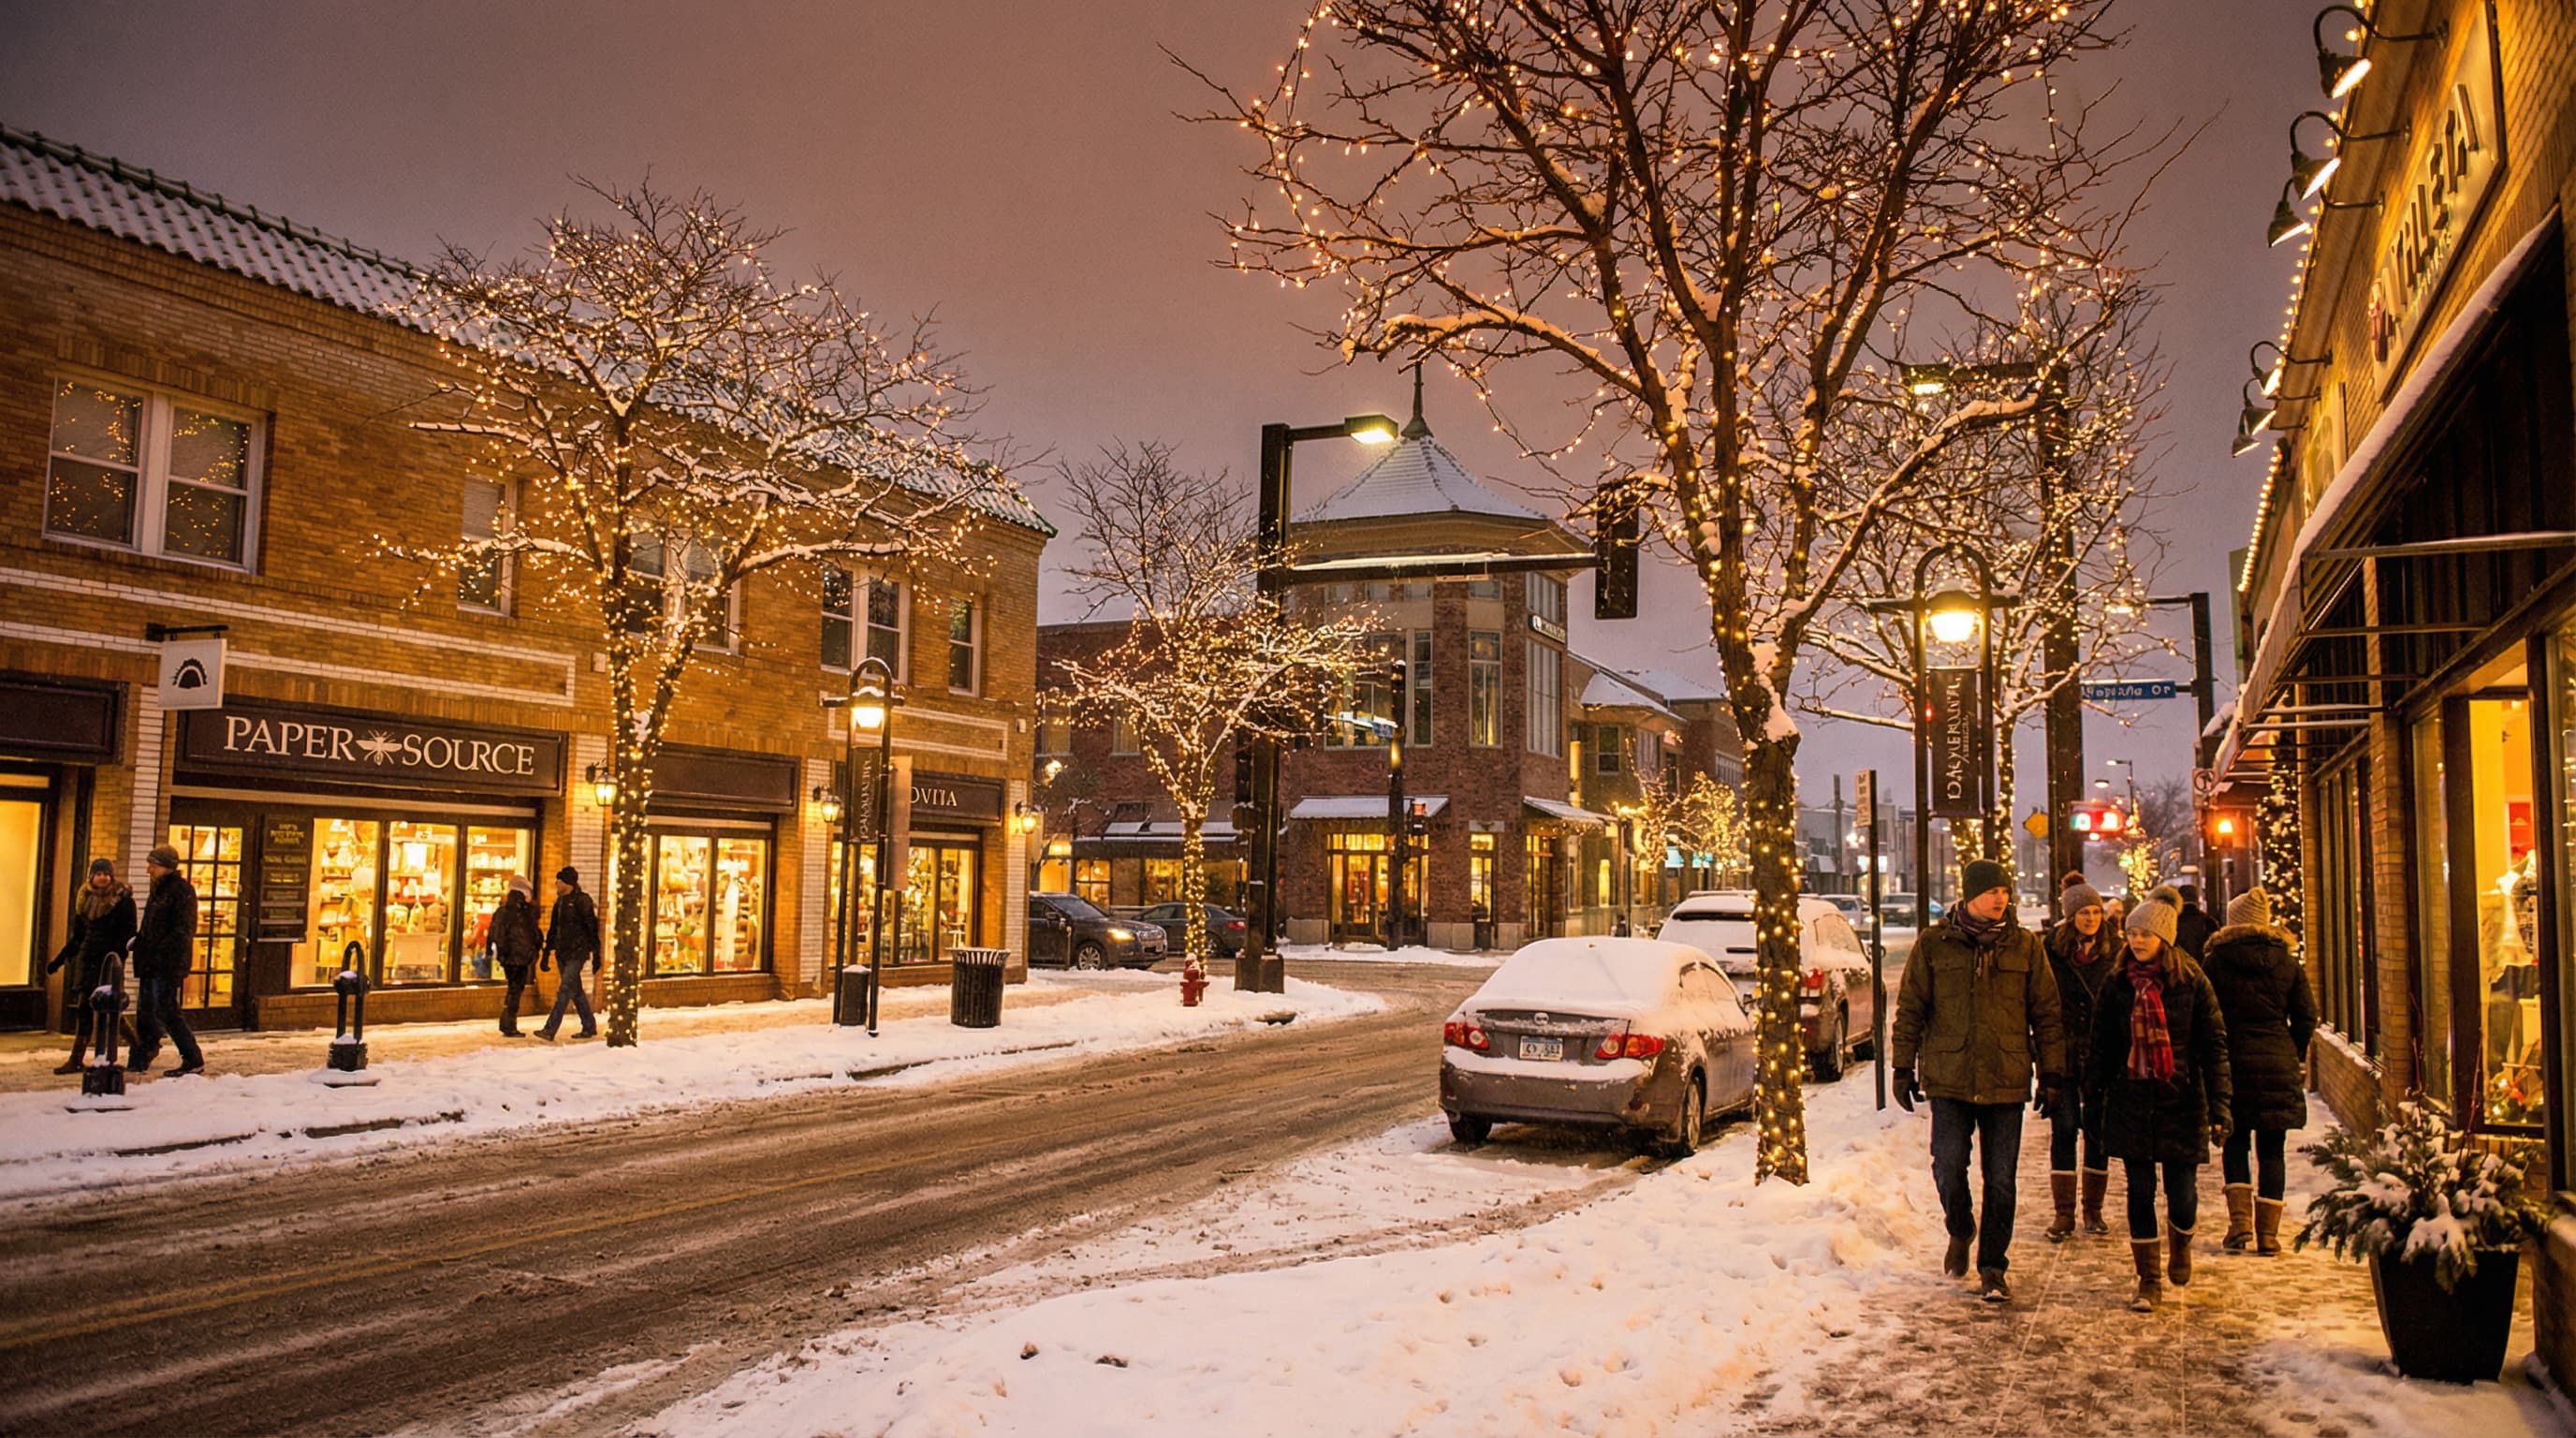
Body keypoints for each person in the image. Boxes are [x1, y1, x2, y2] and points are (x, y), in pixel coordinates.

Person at [1891, 858, 2069, 1305]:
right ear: (1970, 895)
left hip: (2005, 1077)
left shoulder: (2025, 946)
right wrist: (1901, 1066)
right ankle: (1960, 1227)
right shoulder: (1934, 945)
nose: (2001, 899)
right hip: (1949, 1077)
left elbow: (2046, 1014)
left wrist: (2052, 1073)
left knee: (2001, 1179)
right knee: (1948, 1165)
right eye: (1993, 892)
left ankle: (1993, 1267)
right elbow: (1911, 1008)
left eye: (2005, 892)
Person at [2090, 894, 2231, 1312]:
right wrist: (2093, 1099)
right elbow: (2102, 1048)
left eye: (2145, 934)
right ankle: (2148, 1279)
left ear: (2164, 938)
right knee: (2139, 1191)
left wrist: (2221, 1105)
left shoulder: (2191, 982)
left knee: (2182, 1194)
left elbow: (2214, 1046)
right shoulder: (2116, 985)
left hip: (2181, 1100)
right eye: (2131, 933)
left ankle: (2181, 1244)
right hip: (2132, 1101)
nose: (2136, 940)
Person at [2204, 888, 2316, 1255]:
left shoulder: (2217, 961)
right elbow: (2306, 1016)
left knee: (2234, 1143)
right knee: (2272, 1149)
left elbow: (2205, 1014)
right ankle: (2268, 1235)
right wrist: (2291, 1051)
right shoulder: (2287, 962)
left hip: (2231, 1063)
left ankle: (2240, 1226)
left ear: (2234, 921)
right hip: (2277, 1062)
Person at [2043, 882, 2119, 1240]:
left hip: (2102, 1053)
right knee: (2063, 1129)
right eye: (2083, 913)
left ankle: (2093, 1211)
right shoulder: (2051, 951)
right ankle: (2064, 1214)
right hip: (2062, 1054)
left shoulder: (2115, 950)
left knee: (2098, 1131)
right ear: (2069, 917)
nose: (2090, 919)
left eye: (2095, 911)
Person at [46, 858, 137, 1075]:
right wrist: (59, 960)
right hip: (87, 961)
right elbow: (78, 936)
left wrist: (118, 957)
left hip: (108, 963)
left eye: (106, 873)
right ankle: (76, 1058)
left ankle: (138, 1046)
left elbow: (129, 932)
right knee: (85, 1008)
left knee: (110, 1009)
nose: (103, 877)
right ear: (91, 877)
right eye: (98, 873)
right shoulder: (84, 899)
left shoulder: (122, 901)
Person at [128, 844, 206, 1077]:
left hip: (166, 962)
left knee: (166, 1009)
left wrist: (159, 950)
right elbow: (151, 926)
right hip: (152, 960)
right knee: (147, 1009)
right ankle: (143, 1053)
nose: (148, 869)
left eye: (153, 864)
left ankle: (192, 1057)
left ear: (166, 866)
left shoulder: (180, 891)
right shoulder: (160, 890)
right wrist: (140, 943)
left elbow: (183, 930)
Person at [536, 866, 600, 1041]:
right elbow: (552, 930)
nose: (556, 883)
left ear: (568, 883)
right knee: (575, 990)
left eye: (559, 880)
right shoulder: (560, 903)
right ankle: (589, 1025)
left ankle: (550, 1029)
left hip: (577, 953)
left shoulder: (582, 901)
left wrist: (596, 954)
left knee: (564, 990)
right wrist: (547, 953)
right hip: (562, 952)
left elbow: (592, 928)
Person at [490, 876, 544, 1037]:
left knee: (513, 989)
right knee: (515, 990)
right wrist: (534, 950)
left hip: (509, 957)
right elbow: (534, 934)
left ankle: (507, 1022)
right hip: (521, 957)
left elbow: (495, 933)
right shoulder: (524, 913)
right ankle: (509, 1024)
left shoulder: (503, 912)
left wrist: (501, 951)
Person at [2172, 883, 2216, 961]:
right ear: (2197, 899)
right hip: (2202, 969)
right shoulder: (2208, 921)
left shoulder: (2172, 921)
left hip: (2178, 968)